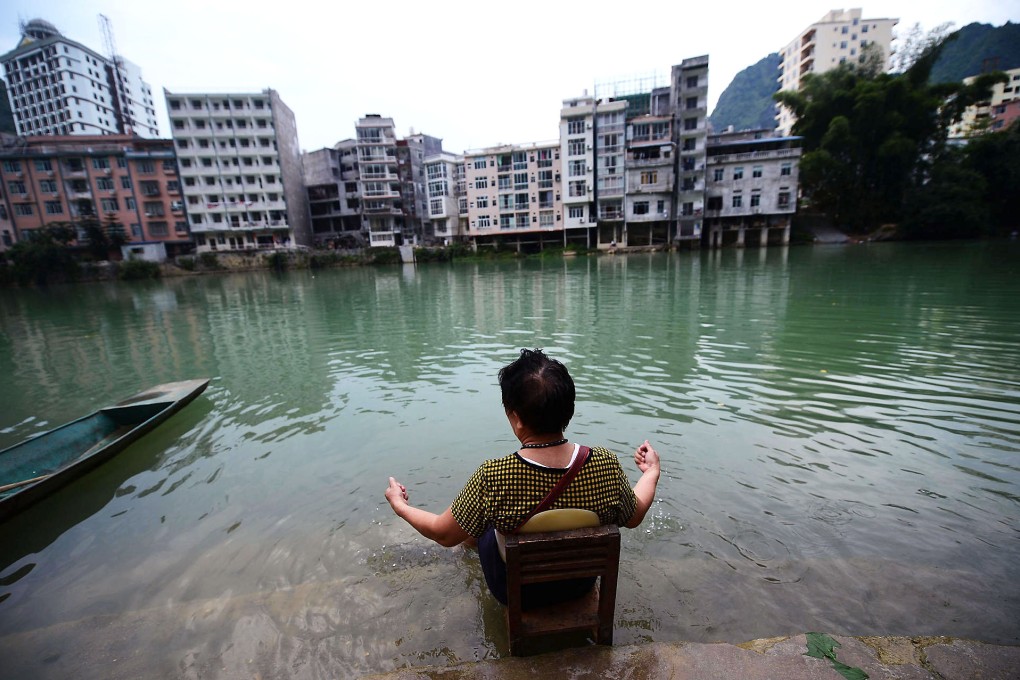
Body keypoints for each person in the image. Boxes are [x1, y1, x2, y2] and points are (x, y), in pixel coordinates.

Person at [384, 348, 661, 608]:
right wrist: (651, 472)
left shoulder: (494, 477)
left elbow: (443, 534)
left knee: (477, 524)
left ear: (516, 418)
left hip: (517, 592)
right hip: (579, 585)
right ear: (569, 410)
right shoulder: (604, 464)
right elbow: (634, 516)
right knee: (480, 517)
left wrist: (401, 506)